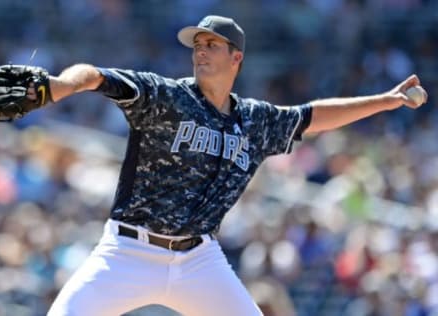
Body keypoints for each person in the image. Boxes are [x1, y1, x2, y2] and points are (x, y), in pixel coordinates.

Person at [33, 15, 427, 316]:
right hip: (128, 251)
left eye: (211, 44)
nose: (200, 50)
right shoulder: (165, 95)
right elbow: (96, 76)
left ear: (236, 57)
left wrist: (385, 100)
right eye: (197, 44)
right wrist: (61, 85)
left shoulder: (256, 121)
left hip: (198, 260)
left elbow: (313, 116)